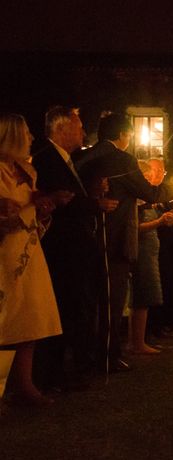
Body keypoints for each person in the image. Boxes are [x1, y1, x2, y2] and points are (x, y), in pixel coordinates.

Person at [76, 113, 173, 373]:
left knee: (89, 301)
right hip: (115, 237)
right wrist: (170, 187)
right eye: (130, 135)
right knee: (112, 300)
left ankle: (85, 354)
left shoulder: (82, 156)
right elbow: (150, 193)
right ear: (123, 135)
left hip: (86, 238)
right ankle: (107, 356)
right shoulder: (121, 159)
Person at [31, 106, 118, 392]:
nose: (83, 132)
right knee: (64, 308)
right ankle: (52, 373)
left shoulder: (68, 160)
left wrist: (93, 195)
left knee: (75, 308)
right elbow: (61, 200)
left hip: (76, 248)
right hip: (62, 249)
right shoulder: (46, 160)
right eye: (79, 126)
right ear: (61, 129)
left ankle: (67, 368)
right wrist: (95, 205)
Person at [0, 113, 65, 406]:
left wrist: (44, 209)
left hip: (29, 251)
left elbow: (29, 215)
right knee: (5, 315)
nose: (31, 137)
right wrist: (28, 208)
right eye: (26, 132)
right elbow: (6, 217)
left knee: (31, 315)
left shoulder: (27, 172)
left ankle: (24, 384)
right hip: (4, 255)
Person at [128, 160, 173, 354]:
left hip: (151, 250)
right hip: (141, 251)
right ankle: (137, 342)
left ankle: (140, 339)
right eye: (149, 174)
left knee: (146, 296)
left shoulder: (147, 200)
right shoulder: (137, 200)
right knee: (142, 295)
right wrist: (159, 221)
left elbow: (168, 219)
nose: (152, 178)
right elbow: (135, 228)